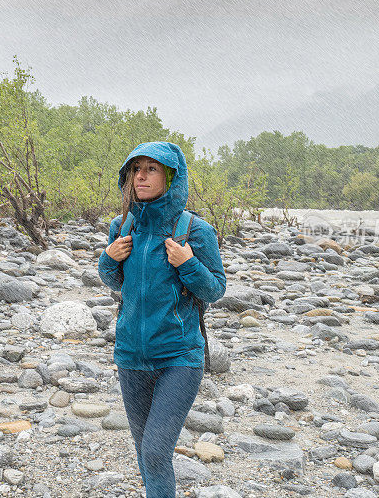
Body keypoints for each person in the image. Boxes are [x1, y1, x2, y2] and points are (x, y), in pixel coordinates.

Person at [98, 141, 226, 497]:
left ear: (171, 177)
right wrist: (109, 258)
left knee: (155, 450)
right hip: (130, 357)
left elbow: (215, 289)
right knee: (145, 452)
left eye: (151, 169)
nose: (140, 176)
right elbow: (115, 281)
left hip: (179, 358)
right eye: (136, 169)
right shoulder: (122, 226)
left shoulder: (195, 230)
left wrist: (188, 263)